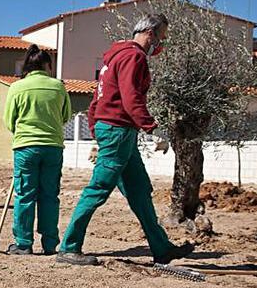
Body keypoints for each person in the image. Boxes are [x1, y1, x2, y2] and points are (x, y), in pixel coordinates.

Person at [57, 14, 193, 266]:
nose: (161, 44)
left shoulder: (114, 58)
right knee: (97, 189)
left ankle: (161, 248)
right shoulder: (134, 57)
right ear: (150, 33)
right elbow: (131, 99)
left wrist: (97, 130)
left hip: (118, 132)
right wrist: (152, 128)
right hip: (119, 131)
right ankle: (69, 247)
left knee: (140, 191)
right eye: (161, 37)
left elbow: (96, 100)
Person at [2, 44, 71, 255]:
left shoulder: (17, 87)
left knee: (25, 195)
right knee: (50, 195)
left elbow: (8, 121)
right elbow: (66, 116)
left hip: (26, 148)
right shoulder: (58, 87)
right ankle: (50, 244)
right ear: (47, 66)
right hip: (53, 147)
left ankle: (23, 243)